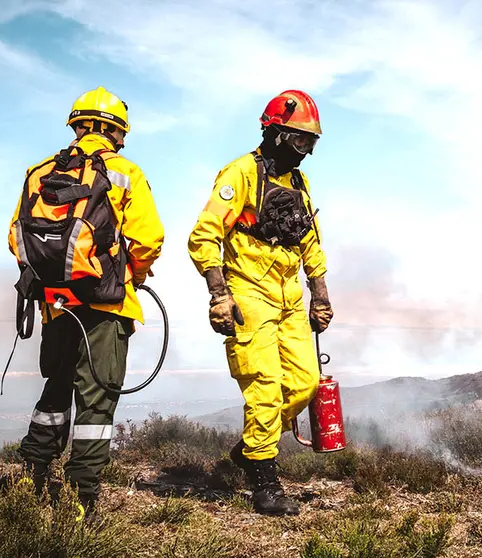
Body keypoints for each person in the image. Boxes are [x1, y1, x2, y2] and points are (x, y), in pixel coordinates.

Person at [8, 86, 165, 518]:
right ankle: (81, 499)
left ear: (78, 126)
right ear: (112, 129)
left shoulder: (39, 171)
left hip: (55, 302)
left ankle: (31, 476)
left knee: (56, 389)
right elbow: (149, 239)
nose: (122, 141)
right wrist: (132, 274)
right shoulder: (124, 172)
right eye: (121, 133)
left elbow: (16, 236)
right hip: (105, 305)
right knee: (96, 401)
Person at [187, 89, 333, 516]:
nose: (305, 151)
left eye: (311, 142)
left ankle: (251, 447)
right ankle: (265, 483)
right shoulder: (240, 174)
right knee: (265, 387)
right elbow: (204, 235)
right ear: (277, 133)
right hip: (249, 293)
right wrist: (219, 295)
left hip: (289, 297)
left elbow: (310, 241)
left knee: (305, 383)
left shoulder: (298, 183)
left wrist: (320, 294)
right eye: (300, 140)